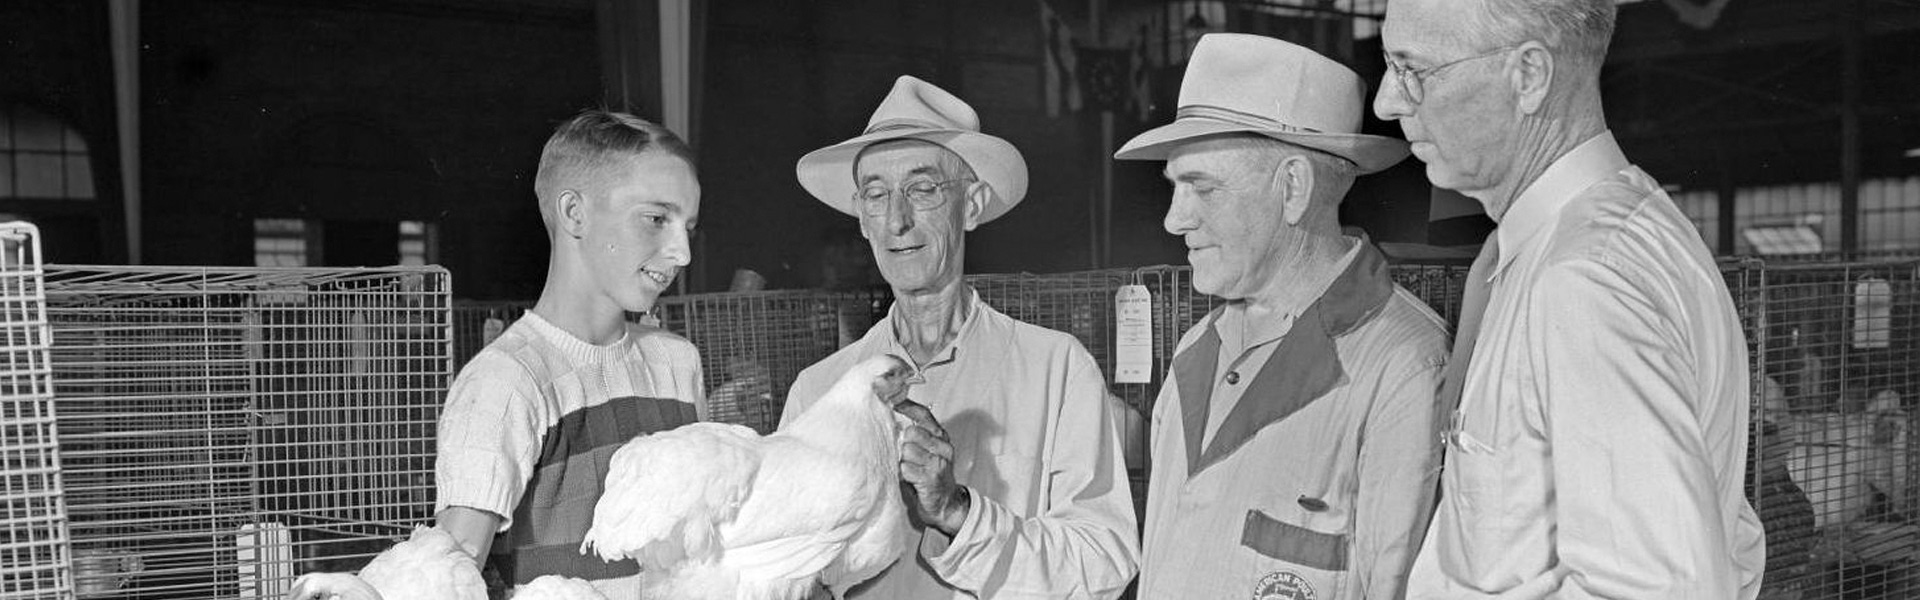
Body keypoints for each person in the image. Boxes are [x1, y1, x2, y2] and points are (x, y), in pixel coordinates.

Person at [1372, 1, 1766, 597]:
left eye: (1412, 68)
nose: (1387, 101)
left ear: (1529, 75)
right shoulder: (1581, 244)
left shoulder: (1586, 278)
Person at [311, 110, 703, 600]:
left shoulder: (677, 363)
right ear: (574, 213)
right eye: (656, 219)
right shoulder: (506, 381)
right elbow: (449, 571)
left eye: (688, 225)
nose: (682, 252)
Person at [1114, 33, 1448, 600]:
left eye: (1202, 188)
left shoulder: (1402, 366)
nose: (1174, 220)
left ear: (1293, 187)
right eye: (1174, 188)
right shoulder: (1197, 350)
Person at [783, 75, 1139, 598]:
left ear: (971, 205)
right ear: (862, 218)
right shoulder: (818, 391)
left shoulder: (1056, 370)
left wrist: (957, 511)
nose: (897, 221)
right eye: (877, 195)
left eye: (923, 189)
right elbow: (788, 570)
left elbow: (1103, 562)